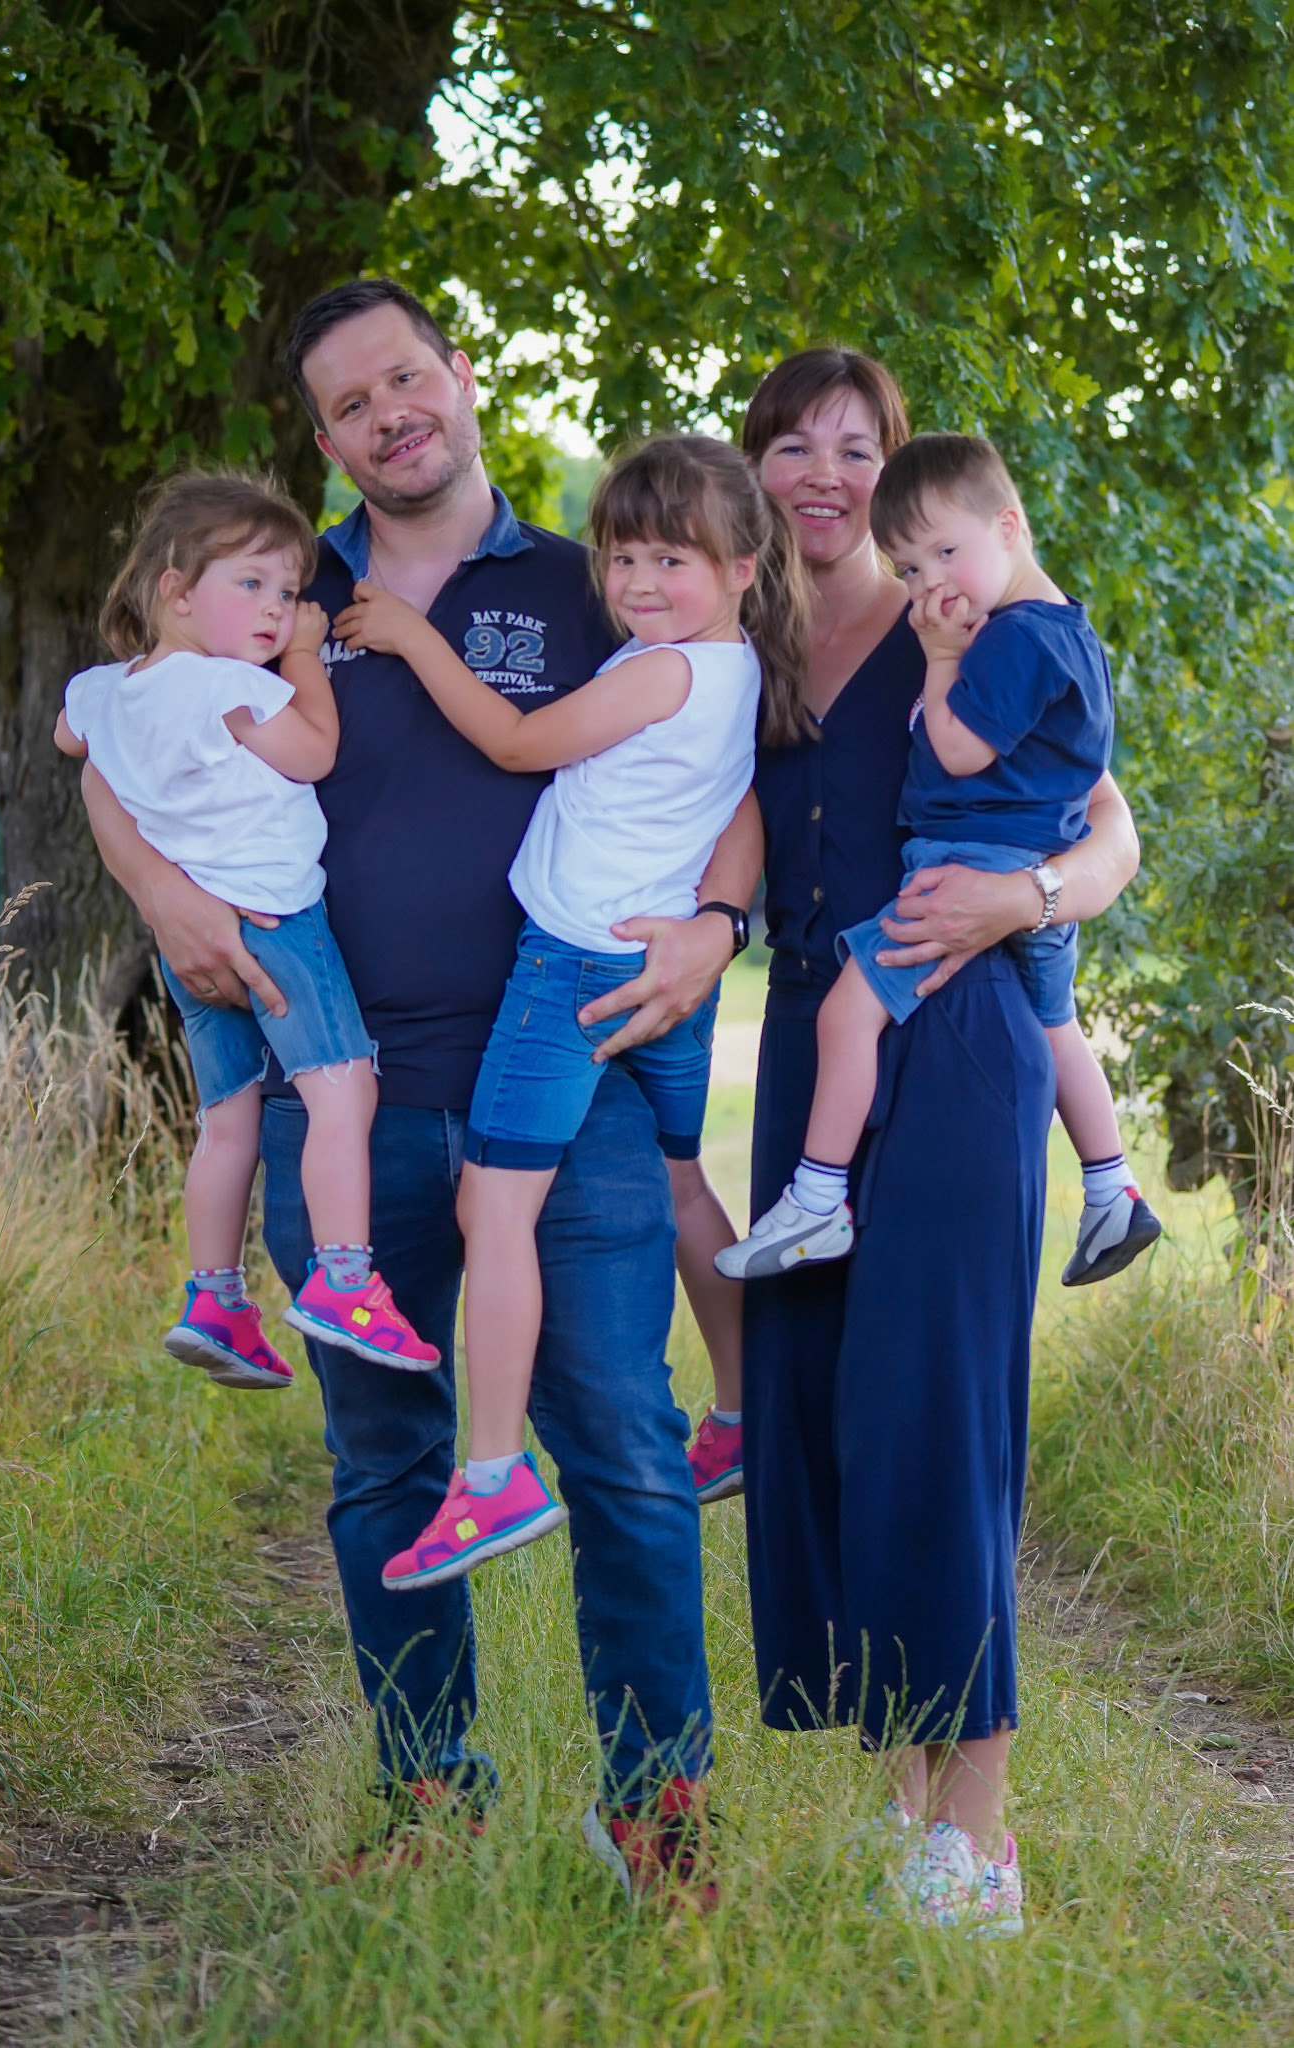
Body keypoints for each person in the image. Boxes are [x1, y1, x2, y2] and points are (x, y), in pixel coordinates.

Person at [77, 280, 754, 1897]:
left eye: (406, 378)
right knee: (385, 1460)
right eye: (351, 404)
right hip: (342, 1097)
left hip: (569, 1081)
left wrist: (721, 922)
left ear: (459, 374)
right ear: (325, 441)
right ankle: (431, 1794)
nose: (390, 415)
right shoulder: (276, 587)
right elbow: (104, 739)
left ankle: (657, 1811)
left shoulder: (598, 579)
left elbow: (727, 769)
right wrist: (161, 897)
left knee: (623, 1445)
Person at [735, 347, 1140, 1934]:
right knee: (830, 1424)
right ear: (756, 467)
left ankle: (979, 1847)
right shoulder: (738, 627)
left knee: (937, 1416)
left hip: (960, 1026)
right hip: (814, 1044)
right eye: (792, 446)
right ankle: (902, 1818)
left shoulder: (981, 620)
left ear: (901, 472)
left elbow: (1106, 827)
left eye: (856, 448)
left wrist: (1024, 899)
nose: (822, 475)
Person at [326, 434, 808, 1587]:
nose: (638, 583)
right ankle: (742, 1410)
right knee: (683, 1181)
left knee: (492, 1204)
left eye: (671, 561)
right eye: (622, 557)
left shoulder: (660, 670)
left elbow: (515, 741)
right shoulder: (738, 665)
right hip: (662, 966)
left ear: (743, 567)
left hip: (578, 968)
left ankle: (493, 1472)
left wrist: (412, 636)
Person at [720, 431, 1160, 1290]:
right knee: (1056, 1025)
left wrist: (940, 660)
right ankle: (1111, 1188)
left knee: (847, 1016)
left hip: (965, 863)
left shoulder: (1010, 640)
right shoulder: (1069, 630)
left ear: (1008, 526)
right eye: (910, 569)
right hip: (1033, 861)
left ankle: (816, 1198)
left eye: (946, 554)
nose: (930, 586)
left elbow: (958, 751)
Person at [55, 471, 439, 1389]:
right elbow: (315, 753)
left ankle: (215, 1301)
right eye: (253, 584)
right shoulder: (235, 686)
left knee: (227, 1122)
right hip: (276, 921)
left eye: (289, 591)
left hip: (187, 943)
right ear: (175, 591)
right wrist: (304, 657)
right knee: (342, 1092)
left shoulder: (102, 690)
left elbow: (71, 739)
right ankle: (344, 1280)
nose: (277, 608)